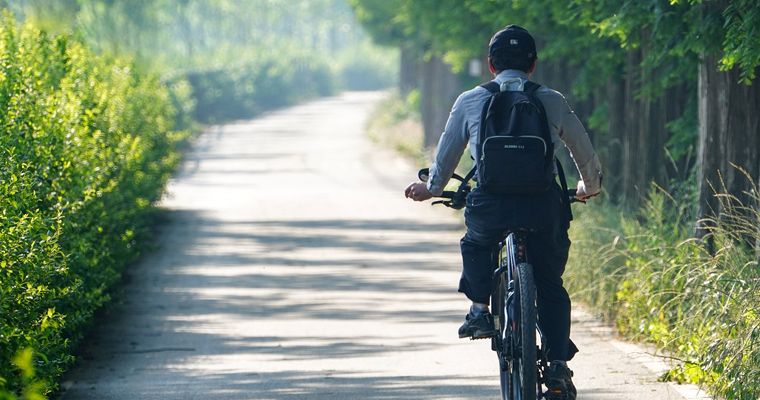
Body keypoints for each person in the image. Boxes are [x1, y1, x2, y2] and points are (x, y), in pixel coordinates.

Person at [404, 25, 602, 400]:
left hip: (491, 205)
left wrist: (430, 188)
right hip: (543, 206)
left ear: (491, 66)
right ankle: (558, 365)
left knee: (477, 242)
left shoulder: (470, 100)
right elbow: (583, 150)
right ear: (533, 65)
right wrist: (588, 188)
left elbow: (446, 156)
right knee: (549, 284)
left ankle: (479, 309)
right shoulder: (552, 100)